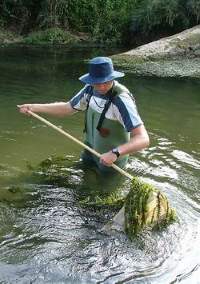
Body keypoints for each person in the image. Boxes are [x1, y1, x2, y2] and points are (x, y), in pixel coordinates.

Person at [18, 57, 149, 173]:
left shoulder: (121, 99)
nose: (102, 87)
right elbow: (67, 108)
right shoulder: (89, 90)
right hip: (89, 152)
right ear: (91, 80)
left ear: (113, 77)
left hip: (111, 161)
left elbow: (143, 139)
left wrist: (115, 153)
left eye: (106, 81)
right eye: (97, 82)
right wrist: (34, 107)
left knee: (103, 196)